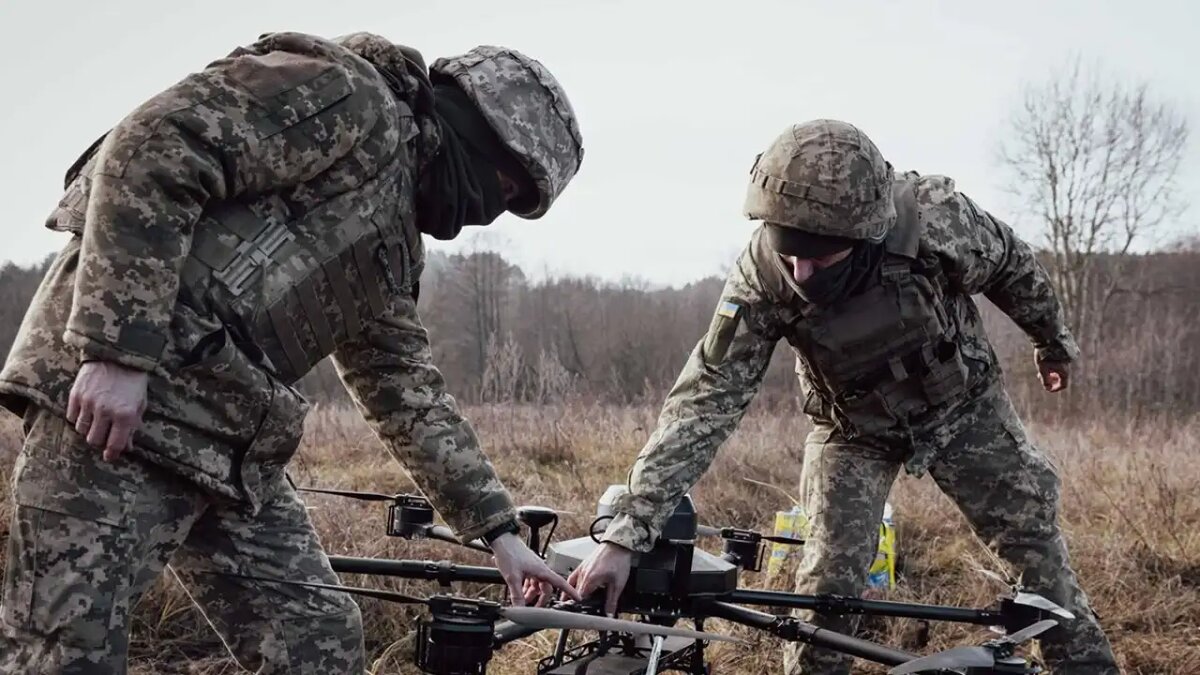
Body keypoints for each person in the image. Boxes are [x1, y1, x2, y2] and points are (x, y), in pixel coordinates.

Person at [0, 30, 584, 674]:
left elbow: (404, 388)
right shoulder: (348, 96)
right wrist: (116, 352)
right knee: (65, 652)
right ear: (478, 131)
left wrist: (499, 534)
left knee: (315, 639)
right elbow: (155, 144)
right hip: (113, 417)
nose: (494, 209)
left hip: (227, 446)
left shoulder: (394, 248)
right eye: (505, 186)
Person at [567, 120, 1120, 674]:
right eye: (790, 254)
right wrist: (627, 535)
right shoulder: (761, 278)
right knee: (828, 584)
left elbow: (1011, 265)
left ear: (866, 237)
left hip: (962, 409)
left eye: (819, 258)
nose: (801, 272)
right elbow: (704, 399)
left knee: (1036, 554)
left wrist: (1052, 341)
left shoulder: (934, 220)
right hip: (852, 429)